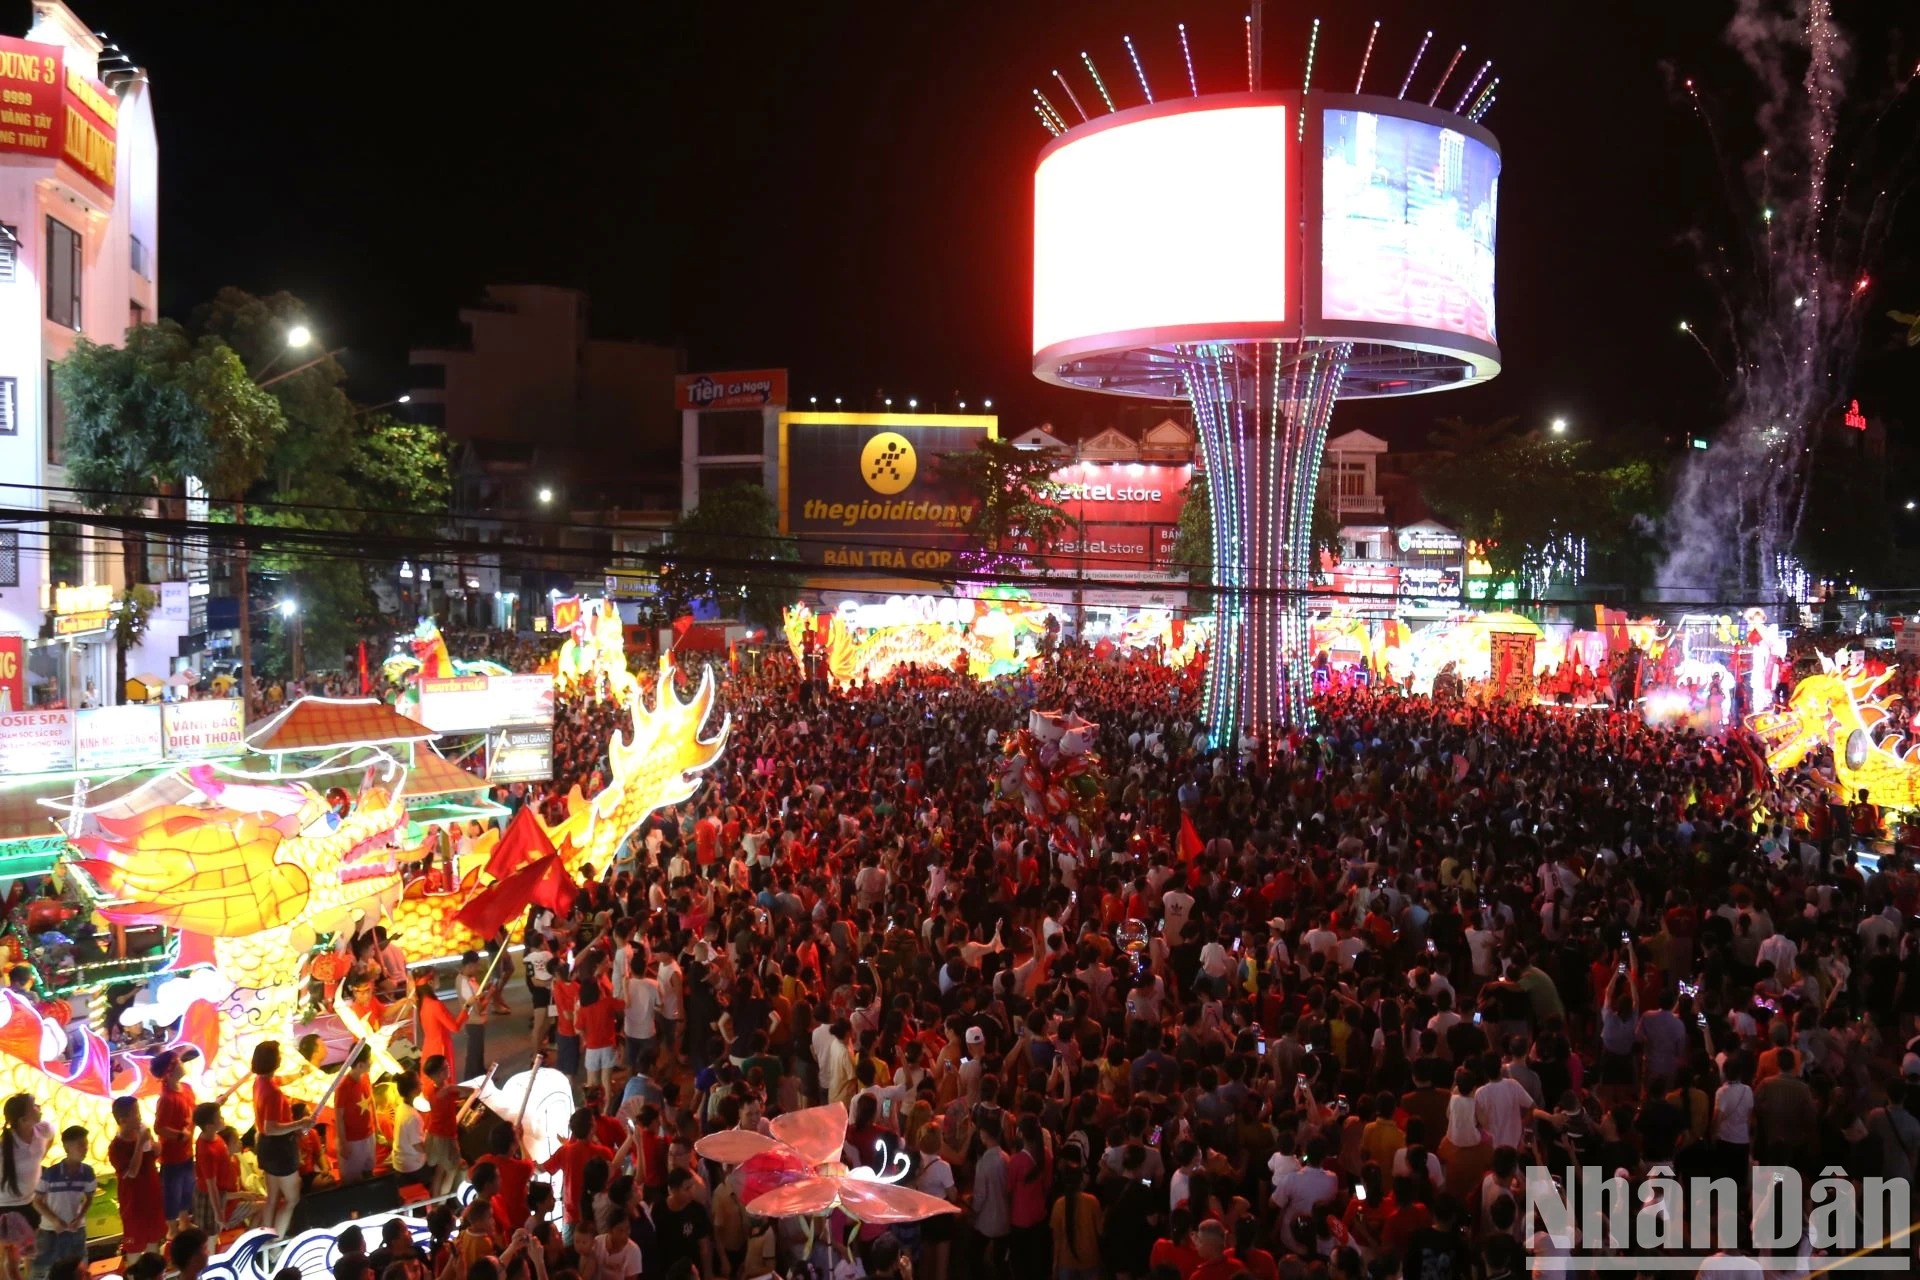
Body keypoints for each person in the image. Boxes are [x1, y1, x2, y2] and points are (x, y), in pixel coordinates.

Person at [251, 1041, 306, 1234]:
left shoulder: (260, 1081)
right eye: (279, 1054)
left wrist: (300, 1074)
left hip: (266, 1148)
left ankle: (266, 1239)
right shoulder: (273, 1092)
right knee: (292, 1199)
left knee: (273, 1198)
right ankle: (276, 1244)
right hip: (280, 1148)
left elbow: (281, 1080)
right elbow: (272, 1128)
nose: (281, 1057)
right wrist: (300, 1123)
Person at [0, 1094, 55, 1280]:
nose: (39, 1107)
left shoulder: (43, 1130)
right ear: (23, 1120)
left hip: (32, 1202)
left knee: (33, 1254)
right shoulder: (4, 1148)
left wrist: (38, 1160)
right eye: (34, 1107)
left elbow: (50, 1138)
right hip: (8, 1207)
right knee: (11, 1259)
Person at [28, 1127, 90, 1280]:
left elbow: (88, 1198)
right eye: (81, 1144)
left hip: (76, 1231)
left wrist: (79, 1217)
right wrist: (55, 1220)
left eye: (86, 1143)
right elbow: (37, 1202)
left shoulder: (87, 1172)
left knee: (80, 1272)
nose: (85, 1148)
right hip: (51, 1232)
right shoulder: (50, 1173)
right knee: (43, 1273)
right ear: (68, 1147)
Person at [107, 1100, 163, 1257]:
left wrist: (152, 1143)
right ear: (123, 1120)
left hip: (152, 1198)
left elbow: (156, 1154)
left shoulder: (141, 1136)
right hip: (133, 1204)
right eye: (136, 1113)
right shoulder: (116, 1147)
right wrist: (140, 1144)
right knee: (135, 1248)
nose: (140, 1117)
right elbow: (132, 1172)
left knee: (154, 1242)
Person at [151, 1050, 197, 1227]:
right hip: (172, 1157)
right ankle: (171, 1229)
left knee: (187, 1189)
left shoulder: (186, 1088)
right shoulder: (166, 1099)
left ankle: (184, 1222)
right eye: (177, 1061)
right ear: (169, 1072)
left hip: (187, 1152)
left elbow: (193, 1109)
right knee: (173, 1193)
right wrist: (179, 1135)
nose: (181, 1063)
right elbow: (159, 1127)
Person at [335, 1053, 376, 1184]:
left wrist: (376, 1125)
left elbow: (371, 1099)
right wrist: (343, 1143)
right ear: (360, 1065)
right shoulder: (343, 1088)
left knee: (369, 1170)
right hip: (353, 1140)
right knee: (352, 1179)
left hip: (369, 1135)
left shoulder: (366, 1077)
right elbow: (339, 1117)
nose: (372, 1062)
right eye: (369, 1059)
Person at [457, 952, 490, 1082]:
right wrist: (490, 994)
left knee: (478, 1054)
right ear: (470, 965)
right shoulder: (464, 983)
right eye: (477, 965)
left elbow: (476, 996)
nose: (478, 968)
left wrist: (484, 990)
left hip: (477, 1022)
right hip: (473, 1022)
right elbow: (477, 1007)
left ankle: (481, 1077)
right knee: (474, 1055)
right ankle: (471, 1082)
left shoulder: (467, 979)